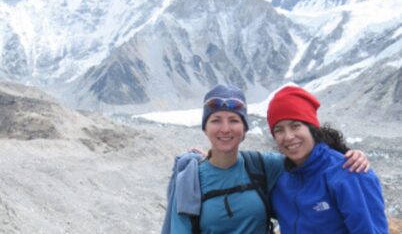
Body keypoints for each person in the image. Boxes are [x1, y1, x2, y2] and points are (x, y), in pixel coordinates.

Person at [162, 84, 369, 234]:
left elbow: (306, 159)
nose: (225, 129)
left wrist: (346, 154)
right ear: (205, 129)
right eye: (216, 120)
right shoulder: (190, 178)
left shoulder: (263, 165)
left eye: (234, 120)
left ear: (244, 130)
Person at [267, 85, 388, 233]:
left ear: (312, 128)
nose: (288, 137)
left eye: (295, 126)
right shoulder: (280, 177)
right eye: (279, 130)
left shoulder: (350, 171)